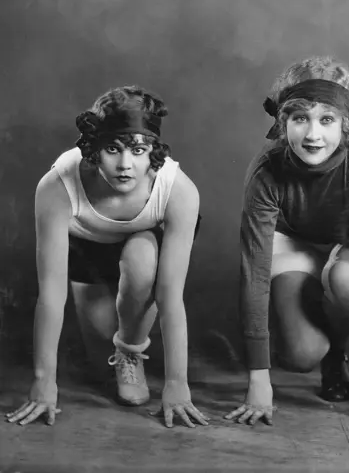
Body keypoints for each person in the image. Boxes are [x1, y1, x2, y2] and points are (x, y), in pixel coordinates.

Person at [225, 56, 349, 429]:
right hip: (294, 241)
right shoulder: (267, 169)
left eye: (326, 120)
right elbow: (254, 273)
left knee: (347, 281)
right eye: (300, 119)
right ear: (283, 123)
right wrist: (258, 379)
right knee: (299, 356)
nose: (313, 135)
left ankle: (338, 352)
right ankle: (319, 340)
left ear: (345, 123)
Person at [5, 86, 208, 429]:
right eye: (113, 149)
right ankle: (110, 334)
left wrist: (177, 385)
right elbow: (52, 297)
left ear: (153, 153)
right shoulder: (57, 184)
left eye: (138, 151)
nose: (125, 165)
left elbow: (171, 298)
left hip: (145, 254)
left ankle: (130, 348)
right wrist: (43, 383)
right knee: (97, 357)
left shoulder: (178, 190)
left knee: (142, 253)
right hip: (88, 254)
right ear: (93, 149)